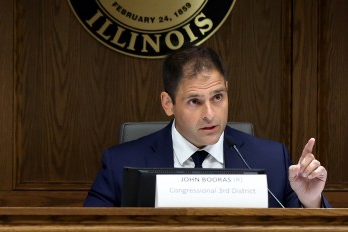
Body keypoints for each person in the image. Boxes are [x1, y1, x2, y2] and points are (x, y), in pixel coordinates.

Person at [84, 46, 329, 208]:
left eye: (218, 97)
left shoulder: (272, 159)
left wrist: (312, 202)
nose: (210, 114)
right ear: (168, 103)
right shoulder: (120, 163)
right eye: (195, 101)